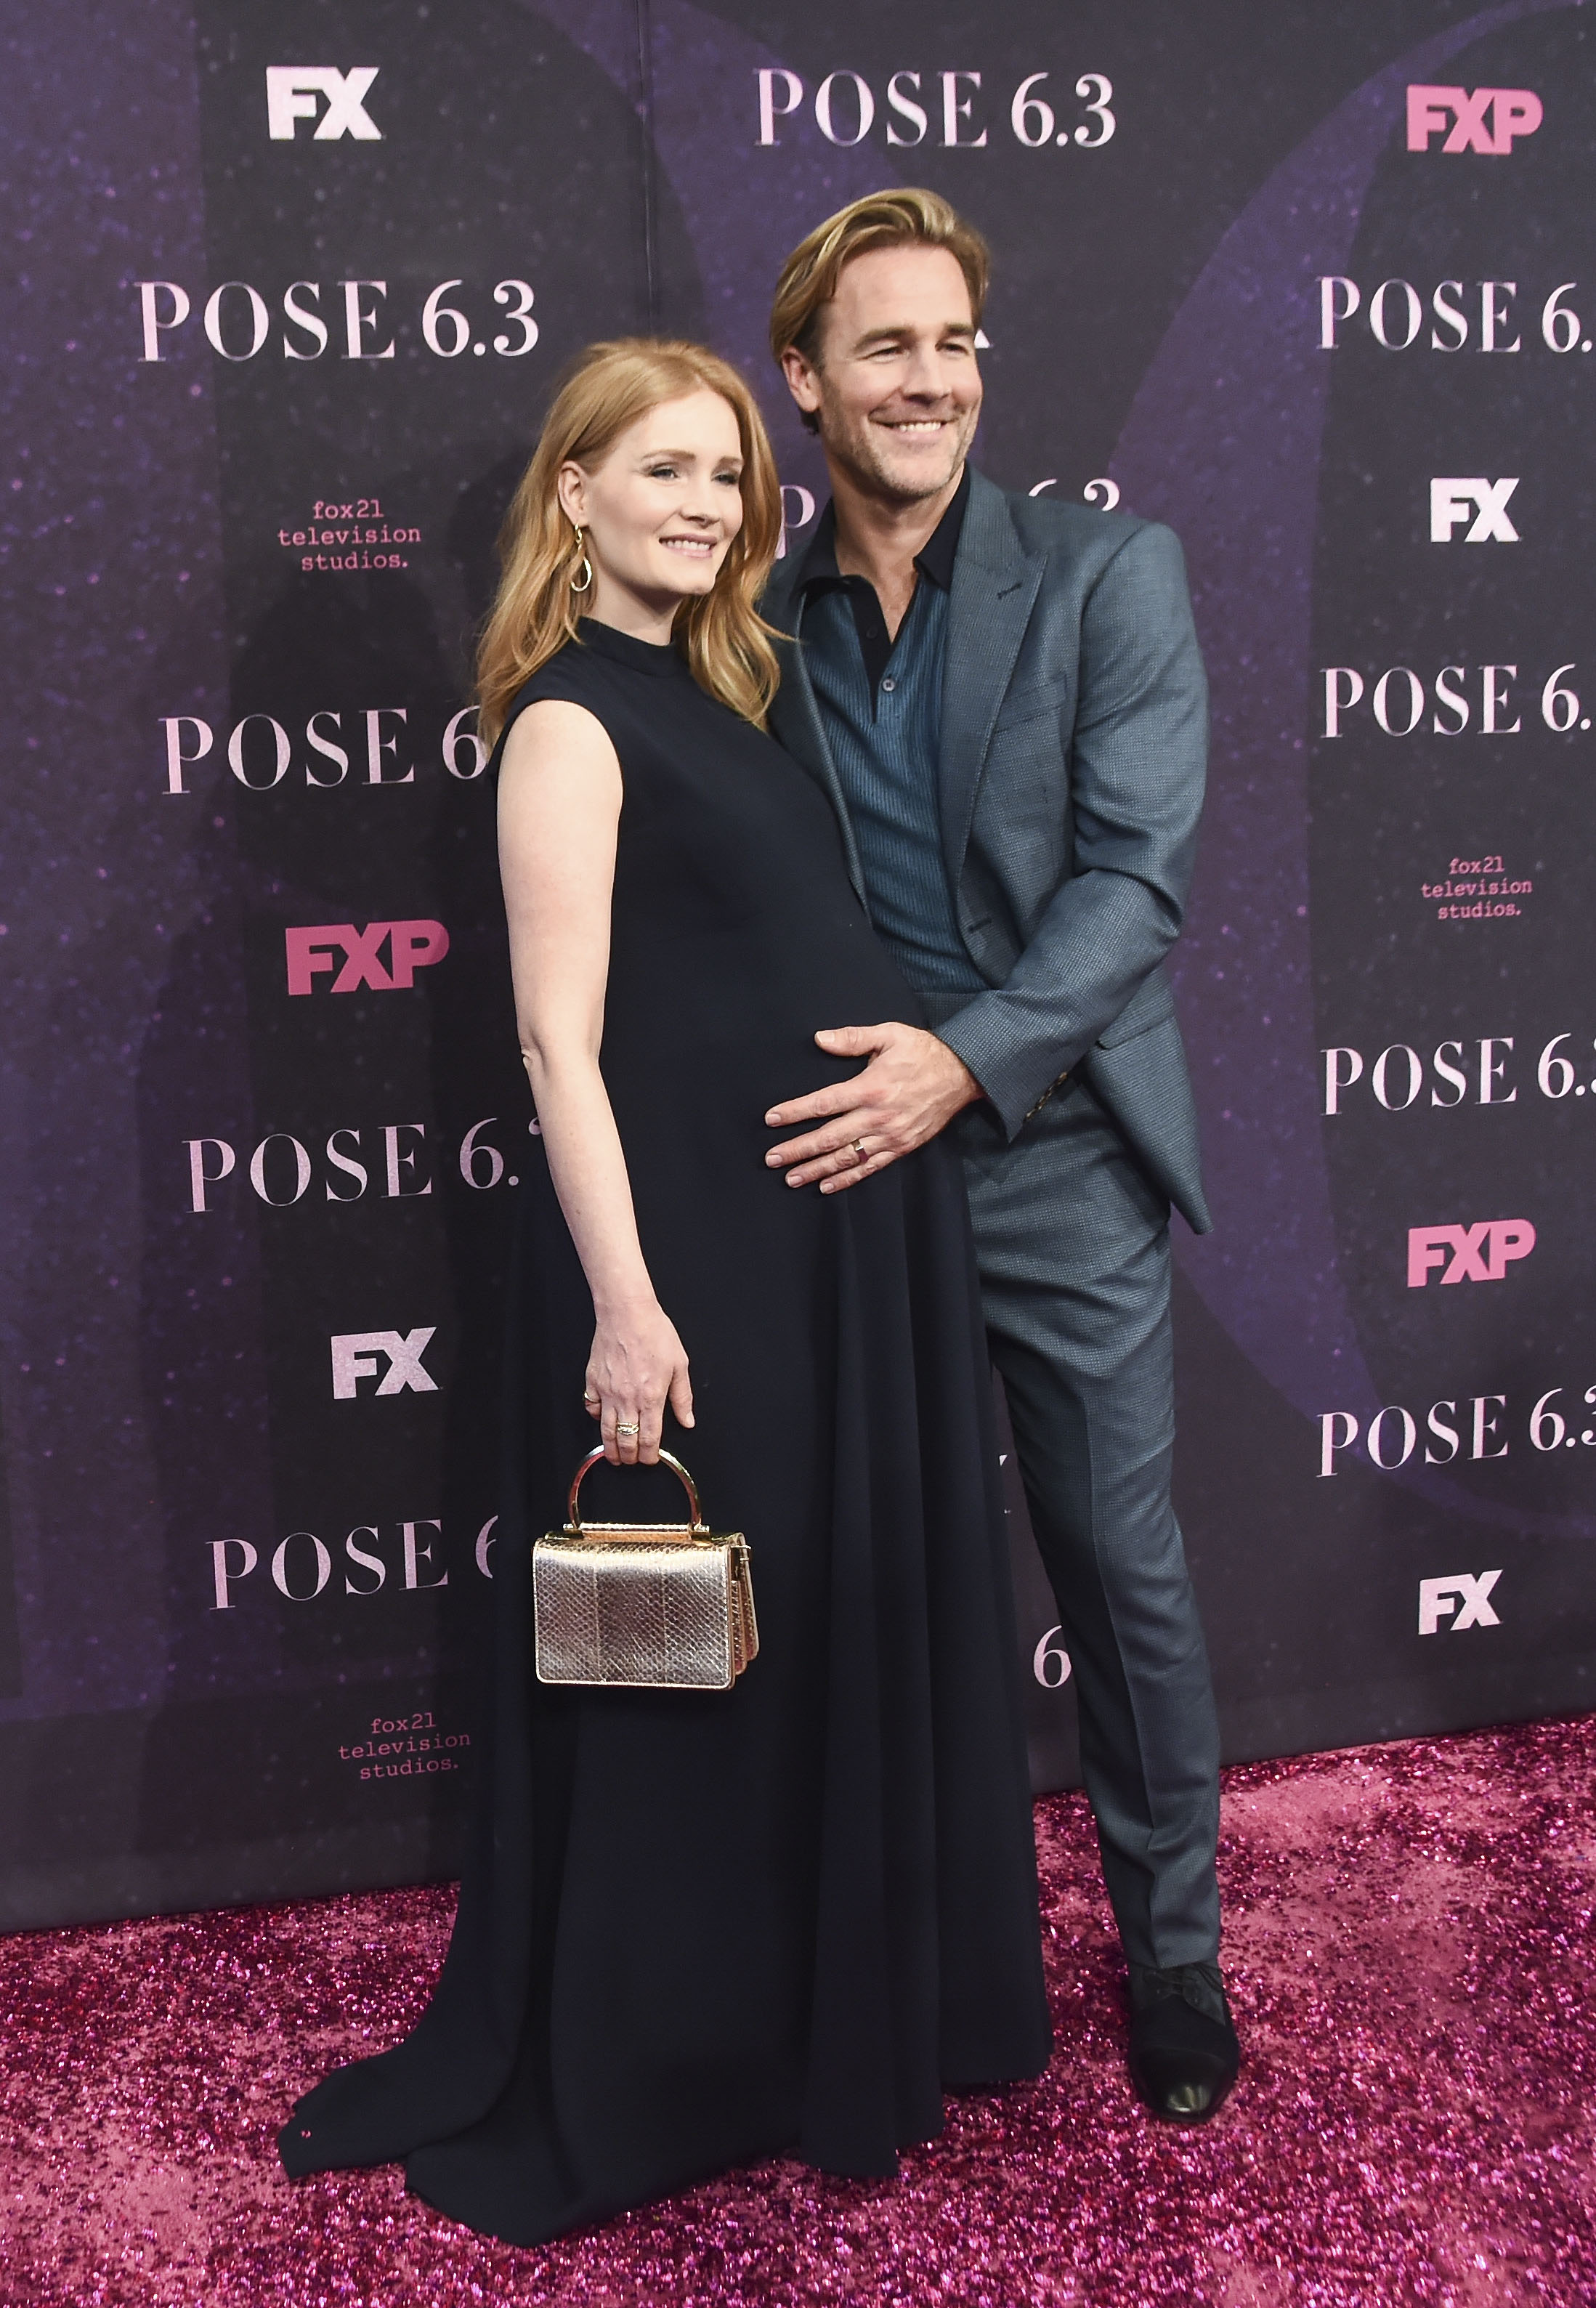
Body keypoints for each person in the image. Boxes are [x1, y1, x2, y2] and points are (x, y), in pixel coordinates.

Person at [276, 339, 1051, 2244]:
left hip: (828, 1239)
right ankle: (680, 2055)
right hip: (693, 1255)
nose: (709, 503)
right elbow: (558, 1045)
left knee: (814, 1630)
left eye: (727, 476)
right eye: (667, 471)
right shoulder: (565, 719)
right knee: (714, 1655)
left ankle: (814, 2022)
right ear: (578, 496)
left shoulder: (735, 689)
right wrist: (629, 1302)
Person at [758, 191, 1239, 2125]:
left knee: (1118, 1562)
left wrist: (961, 1064)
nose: (931, 380)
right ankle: (890, 1958)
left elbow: (1137, 887)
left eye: (955, 341)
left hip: (1043, 1150)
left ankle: (1177, 1952)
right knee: (872, 1580)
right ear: (805, 379)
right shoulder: (758, 619)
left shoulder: (1109, 574)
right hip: (840, 1174)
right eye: (885, 346)